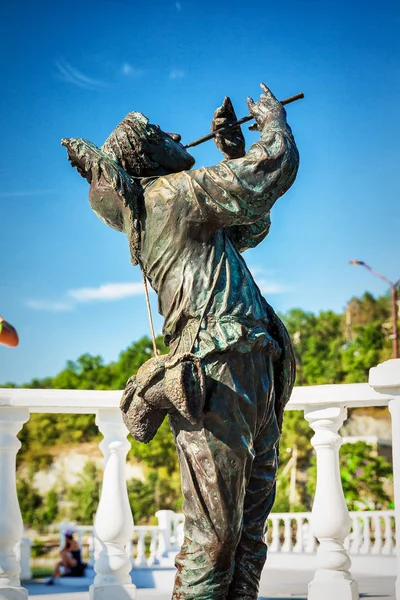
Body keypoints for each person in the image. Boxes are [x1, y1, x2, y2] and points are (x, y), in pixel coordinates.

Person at [62, 83, 299, 600]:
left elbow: (248, 226)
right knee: (216, 537)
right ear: (146, 158)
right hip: (216, 365)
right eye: (159, 133)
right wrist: (272, 123)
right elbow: (267, 175)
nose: (175, 133)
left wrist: (232, 152)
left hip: (249, 363)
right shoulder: (171, 194)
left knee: (246, 534)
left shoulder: (178, 205)